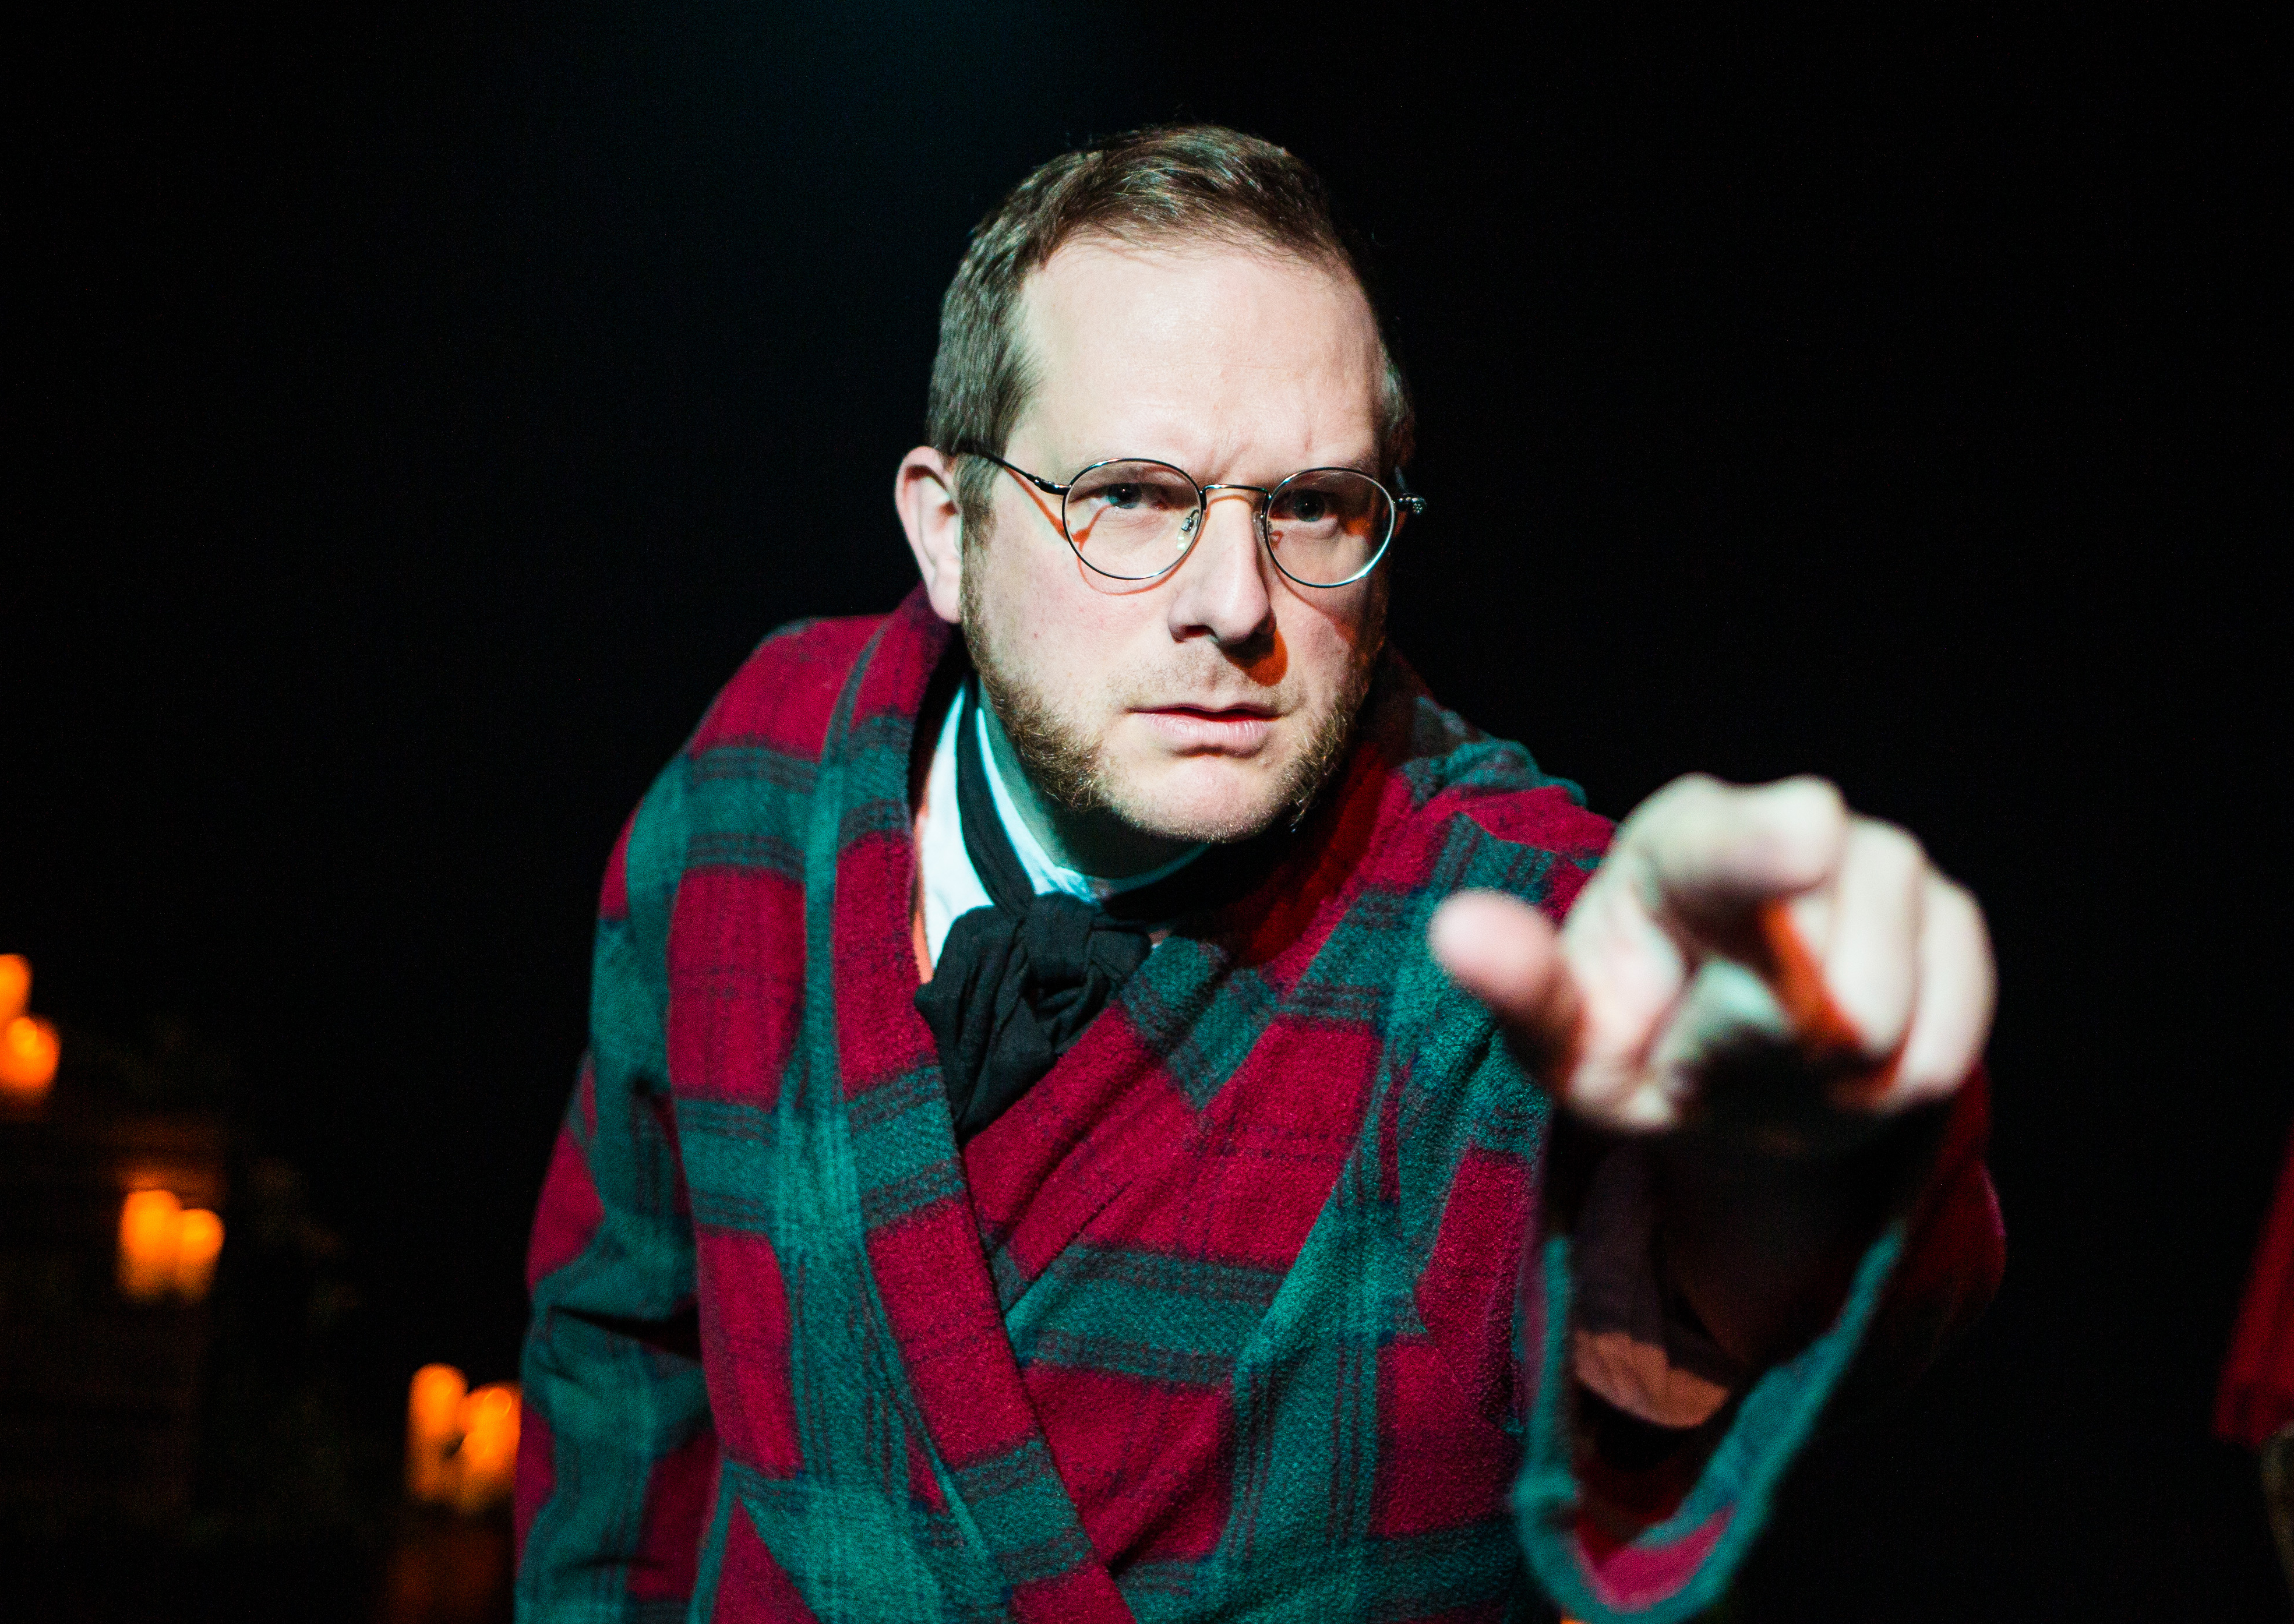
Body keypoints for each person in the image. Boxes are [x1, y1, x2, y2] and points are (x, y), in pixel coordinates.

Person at [511, 125, 2003, 1623]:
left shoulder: (1491, 932)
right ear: (945, 530)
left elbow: (1696, 1303)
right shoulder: (756, 776)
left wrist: (1787, 1189)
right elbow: (616, 1344)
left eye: (1311, 508)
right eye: (1135, 496)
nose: (1237, 604)